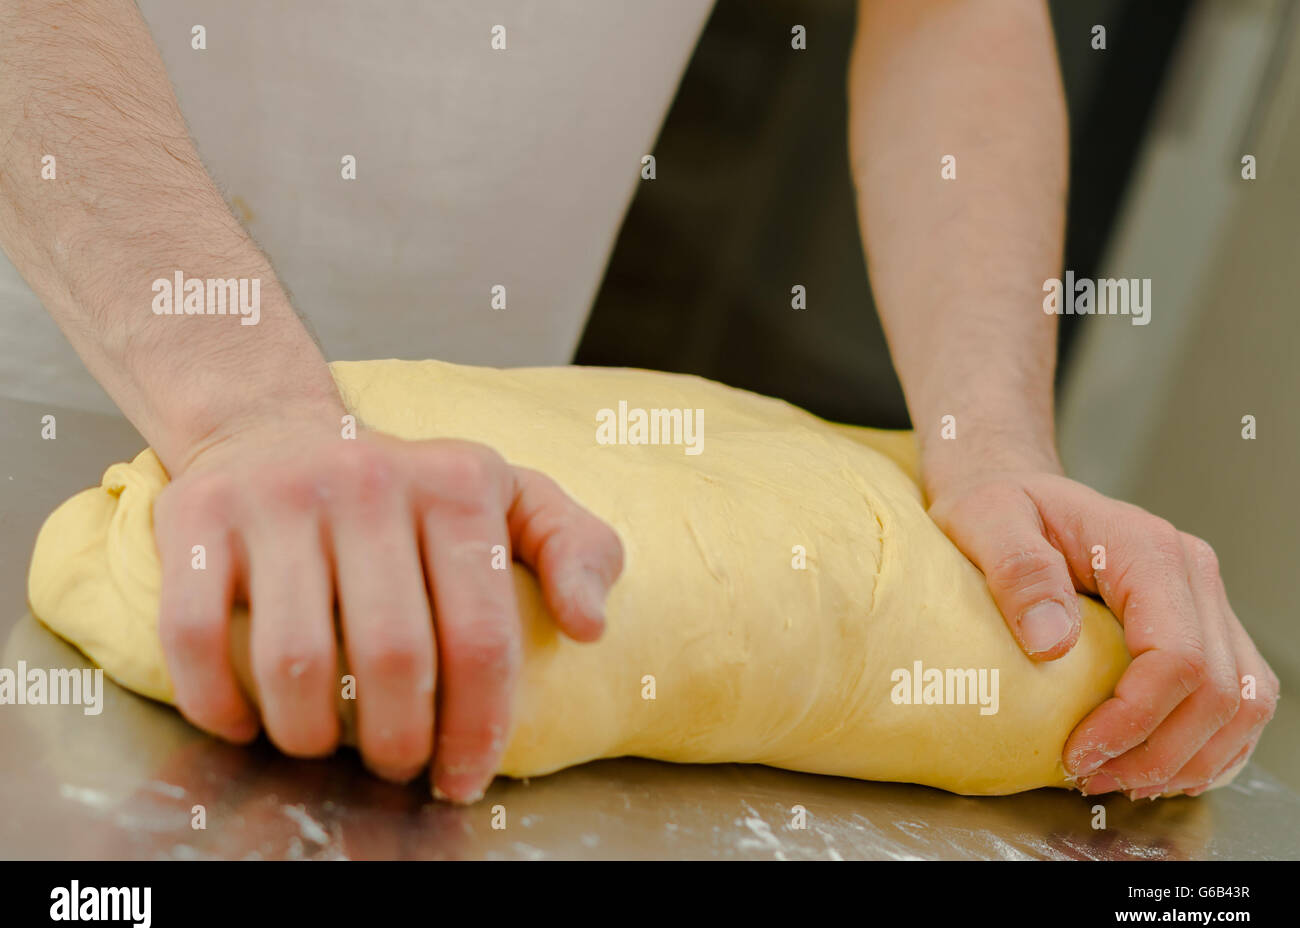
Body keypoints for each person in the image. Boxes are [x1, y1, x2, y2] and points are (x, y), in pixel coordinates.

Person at [0, 0, 1276, 804]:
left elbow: (949, 14)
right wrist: (242, 411)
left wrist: (993, 441)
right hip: (51, 352)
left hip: (493, 483)